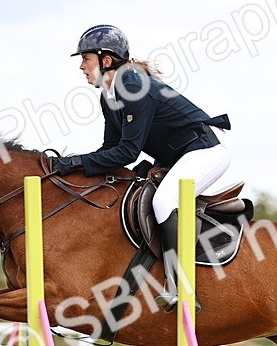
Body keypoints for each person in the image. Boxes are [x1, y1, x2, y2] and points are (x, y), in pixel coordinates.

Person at [51, 25, 236, 312]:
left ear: (106, 60)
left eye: (86, 59)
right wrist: (73, 167)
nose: (81, 66)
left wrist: (75, 162)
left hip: (207, 149)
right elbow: (110, 150)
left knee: (164, 200)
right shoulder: (108, 95)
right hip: (180, 154)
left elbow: (127, 152)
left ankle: (181, 286)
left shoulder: (133, 86)